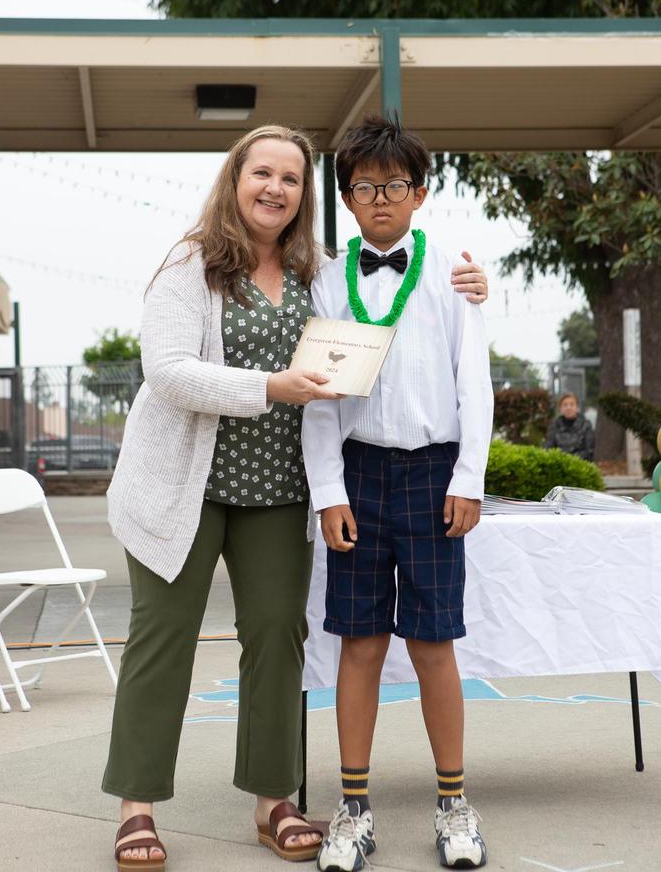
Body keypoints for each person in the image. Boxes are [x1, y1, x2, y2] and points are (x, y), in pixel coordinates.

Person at [103, 123, 490, 871]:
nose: (275, 188)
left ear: (305, 195)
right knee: (164, 639)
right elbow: (168, 371)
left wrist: (474, 285)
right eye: (262, 173)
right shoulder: (191, 263)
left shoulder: (317, 268)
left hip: (275, 489)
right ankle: (137, 805)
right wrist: (270, 388)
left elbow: (426, 342)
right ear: (235, 180)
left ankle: (274, 799)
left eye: (290, 177)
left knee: (280, 636)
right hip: (183, 485)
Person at [302, 115, 494, 871]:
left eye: (393, 185)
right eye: (363, 187)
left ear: (419, 192)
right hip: (357, 475)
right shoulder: (326, 280)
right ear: (346, 197)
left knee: (433, 642)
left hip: (433, 474)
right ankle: (353, 809)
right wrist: (327, 490)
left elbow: (473, 383)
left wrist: (468, 477)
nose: (379, 199)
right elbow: (319, 399)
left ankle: (454, 804)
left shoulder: (452, 274)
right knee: (358, 642)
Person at [544, 391, 595, 461]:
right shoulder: (554, 426)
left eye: (572, 404)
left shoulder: (586, 425)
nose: (568, 408)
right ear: (560, 408)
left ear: (577, 407)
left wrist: (570, 460)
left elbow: (589, 451)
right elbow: (548, 448)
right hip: (558, 463)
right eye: (565, 405)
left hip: (580, 464)